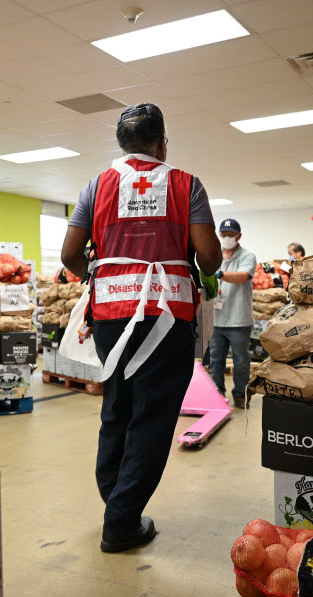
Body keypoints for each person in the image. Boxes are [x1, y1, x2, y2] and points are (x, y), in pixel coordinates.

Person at [61, 102, 222, 554]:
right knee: (152, 416)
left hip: (111, 313)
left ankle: (115, 498)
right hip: (167, 314)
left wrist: (103, 273)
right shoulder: (186, 184)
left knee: (118, 407)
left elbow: (70, 255)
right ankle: (122, 522)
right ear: (162, 142)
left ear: (120, 144)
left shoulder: (96, 186)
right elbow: (209, 257)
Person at [209, 219, 257, 408]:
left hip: (239, 319)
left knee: (241, 360)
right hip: (216, 319)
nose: (227, 238)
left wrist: (219, 274)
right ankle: (217, 393)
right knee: (215, 360)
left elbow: (242, 276)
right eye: (224, 235)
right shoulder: (214, 256)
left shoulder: (247, 256)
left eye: (231, 234)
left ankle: (240, 394)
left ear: (239, 235)